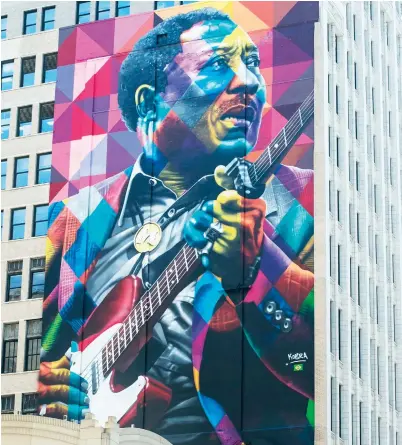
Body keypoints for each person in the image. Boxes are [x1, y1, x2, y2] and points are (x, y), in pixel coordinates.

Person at [38, 8, 314, 445]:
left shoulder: (303, 200)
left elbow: (330, 362)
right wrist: (58, 392)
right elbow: (54, 358)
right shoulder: (75, 218)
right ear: (150, 102)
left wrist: (257, 271)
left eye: (254, 64)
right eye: (219, 65)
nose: (249, 83)